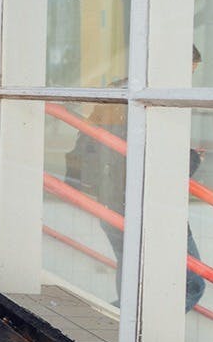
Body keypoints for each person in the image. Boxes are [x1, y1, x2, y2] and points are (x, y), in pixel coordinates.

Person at [65, 45, 205, 312]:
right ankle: (133, 323)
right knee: (192, 283)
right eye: (188, 72)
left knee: (132, 274)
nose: (188, 81)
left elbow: (102, 145)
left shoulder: (120, 91)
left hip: (110, 201)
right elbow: (159, 164)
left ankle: (118, 322)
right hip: (149, 204)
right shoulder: (157, 99)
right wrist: (192, 159)